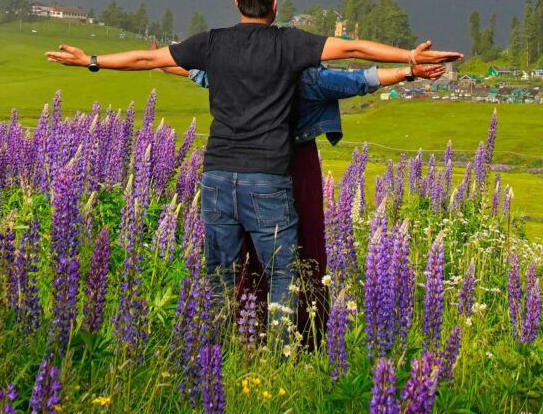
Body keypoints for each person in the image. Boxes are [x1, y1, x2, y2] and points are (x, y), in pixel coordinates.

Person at [45, 0, 462, 319]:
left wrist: (91, 61)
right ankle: (277, 361)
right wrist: (410, 57)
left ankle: (214, 353)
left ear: (236, 2)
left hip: (217, 178)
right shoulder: (290, 43)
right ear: (275, 6)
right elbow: (354, 50)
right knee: (283, 276)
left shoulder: (211, 44)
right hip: (266, 179)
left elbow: (150, 60)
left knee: (219, 278)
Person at [163, 62, 444, 343]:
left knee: (244, 251)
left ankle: (244, 333)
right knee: (302, 245)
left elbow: (199, 71)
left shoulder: (243, 67)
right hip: (295, 160)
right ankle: (298, 336)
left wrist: (161, 61)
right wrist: (409, 70)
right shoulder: (306, 74)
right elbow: (358, 80)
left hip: (245, 160)